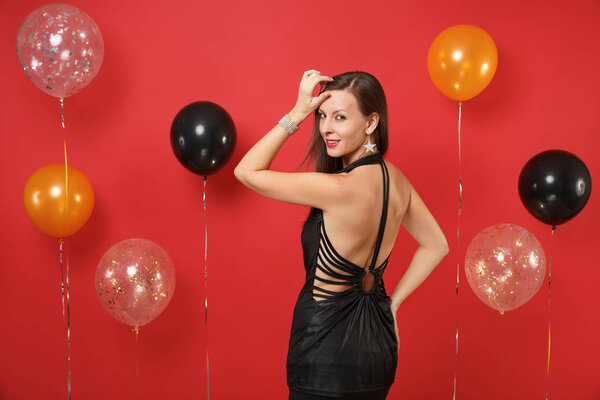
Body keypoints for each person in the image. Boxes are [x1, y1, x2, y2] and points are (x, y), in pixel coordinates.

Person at [234, 70, 448, 399]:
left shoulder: (337, 188)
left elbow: (246, 171)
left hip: (324, 352)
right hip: (378, 345)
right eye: (321, 116)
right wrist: (392, 305)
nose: (326, 129)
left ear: (371, 122)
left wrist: (298, 113)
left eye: (340, 117)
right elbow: (436, 245)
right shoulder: (397, 182)